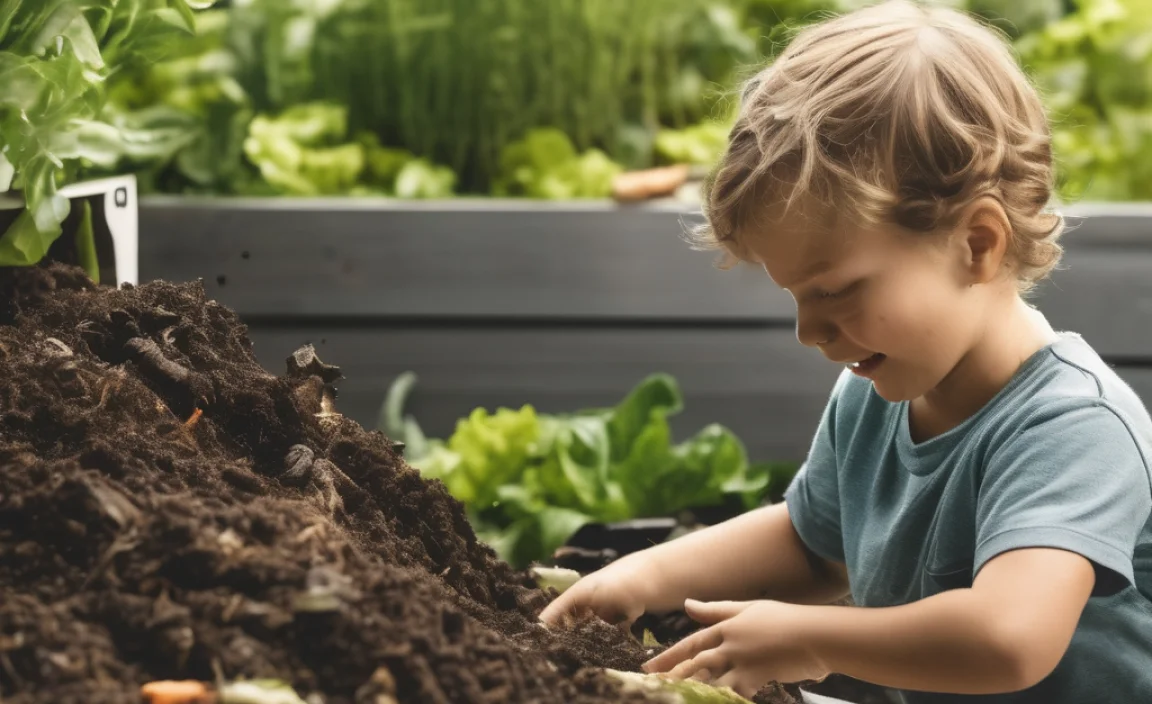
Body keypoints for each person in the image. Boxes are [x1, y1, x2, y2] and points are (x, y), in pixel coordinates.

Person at [539, 2, 1152, 702]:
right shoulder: (874, 394)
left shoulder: (1073, 427)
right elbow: (810, 544)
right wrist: (643, 577)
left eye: (836, 291)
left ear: (977, 244)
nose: (808, 330)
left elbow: (1009, 639)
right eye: (796, 295)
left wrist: (810, 637)